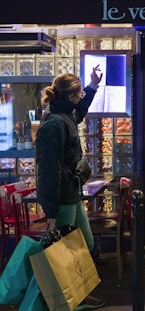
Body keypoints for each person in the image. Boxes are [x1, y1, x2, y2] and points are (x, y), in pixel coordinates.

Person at [36, 66, 106, 310]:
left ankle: (79, 295)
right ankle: (69, 301)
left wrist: (93, 85)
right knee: (65, 251)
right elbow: (48, 169)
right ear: (68, 97)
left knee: (83, 245)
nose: (81, 99)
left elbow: (80, 111)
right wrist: (51, 212)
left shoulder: (65, 115)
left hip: (72, 193)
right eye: (78, 95)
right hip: (63, 197)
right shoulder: (53, 124)